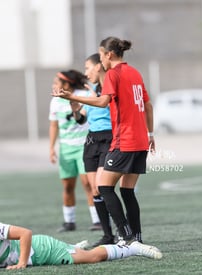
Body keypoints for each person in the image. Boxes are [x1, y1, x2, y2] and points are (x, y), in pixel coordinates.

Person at [52, 37, 155, 245]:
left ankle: (125, 236)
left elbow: (102, 101)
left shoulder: (113, 75)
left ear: (109, 55)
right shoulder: (135, 72)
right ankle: (137, 237)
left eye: (100, 55)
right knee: (126, 192)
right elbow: (148, 105)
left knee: (103, 187)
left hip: (123, 140)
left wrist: (73, 98)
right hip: (141, 141)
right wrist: (151, 135)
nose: (100, 60)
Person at [0, 200, 162, 270]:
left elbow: (25, 233)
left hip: (42, 251)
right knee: (82, 253)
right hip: (37, 253)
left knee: (92, 258)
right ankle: (73, 245)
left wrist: (22, 263)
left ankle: (132, 247)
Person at [49, 70, 101, 232]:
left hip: (84, 146)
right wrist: (51, 147)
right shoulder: (55, 101)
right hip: (66, 149)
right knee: (68, 186)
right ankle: (69, 222)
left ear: (66, 84)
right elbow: (54, 125)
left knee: (88, 184)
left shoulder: (83, 94)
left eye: (56, 83)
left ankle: (97, 220)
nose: (53, 86)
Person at [75, 53, 116, 247]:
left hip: (108, 138)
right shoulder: (87, 92)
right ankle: (108, 235)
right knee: (94, 191)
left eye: (87, 67)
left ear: (98, 66)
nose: (86, 72)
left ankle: (123, 229)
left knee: (102, 187)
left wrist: (95, 98)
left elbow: (111, 107)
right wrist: (76, 108)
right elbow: (81, 119)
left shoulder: (110, 87)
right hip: (91, 140)